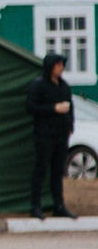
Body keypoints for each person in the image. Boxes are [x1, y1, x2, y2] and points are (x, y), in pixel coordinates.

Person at [27, 52, 76, 220]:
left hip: (61, 135)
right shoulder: (38, 85)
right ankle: (35, 206)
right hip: (44, 135)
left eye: (62, 65)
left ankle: (59, 206)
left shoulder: (64, 86)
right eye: (58, 65)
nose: (61, 68)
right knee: (41, 169)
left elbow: (70, 107)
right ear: (50, 67)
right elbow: (31, 107)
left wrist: (70, 126)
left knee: (58, 170)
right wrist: (53, 108)